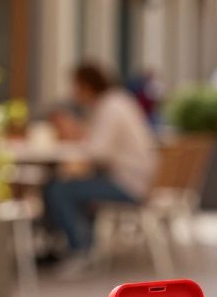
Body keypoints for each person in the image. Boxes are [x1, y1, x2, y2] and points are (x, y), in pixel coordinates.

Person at [43, 63, 156, 278]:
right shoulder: (117, 102)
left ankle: (80, 250)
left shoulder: (110, 107)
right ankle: (73, 245)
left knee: (59, 190)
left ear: (86, 86)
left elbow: (99, 152)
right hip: (132, 178)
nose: (73, 93)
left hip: (127, 183)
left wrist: (75, 135)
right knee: (66, 186)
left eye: (75, 86)